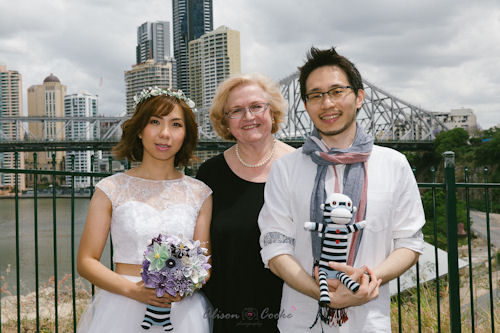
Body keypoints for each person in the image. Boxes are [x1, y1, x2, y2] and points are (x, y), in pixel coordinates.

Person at [258, 47, 425, 332]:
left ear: (359, 97)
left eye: (337, 91)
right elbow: (274, 246)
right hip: (300, 321)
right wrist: (321, 293)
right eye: (316, 95)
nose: (327, 103)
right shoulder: (285, 169)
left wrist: (366, 281)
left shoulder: (394, 164)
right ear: (306, 105)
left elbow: (409, 242)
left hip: (370, 322)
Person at [77, 87, 213, 332]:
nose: (164, 134)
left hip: (181, 312)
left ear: (185, 134)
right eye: (154, 122)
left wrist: (183, 288)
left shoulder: (200, 193)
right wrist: (134, 291)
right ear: (139, 130)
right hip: (121, 305)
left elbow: (204, 266)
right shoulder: (110, 188)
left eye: (175, 124)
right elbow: (86, 261)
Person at [196, 73, 295, 332]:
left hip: (294, 310)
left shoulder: (300, 166)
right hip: (227, 313)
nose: (248, 117)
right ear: (226, 122)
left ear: (272, 112)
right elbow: (201, 249)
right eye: (236, 111)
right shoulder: (210, 174)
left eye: (256, 107)